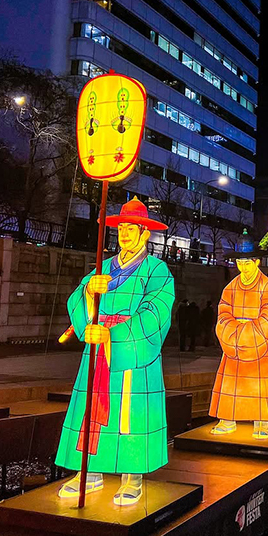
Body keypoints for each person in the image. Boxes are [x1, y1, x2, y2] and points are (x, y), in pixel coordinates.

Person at [56, 197, 174, 506]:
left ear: (144, 233)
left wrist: (113, 334)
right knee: (91, 410)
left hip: (129, 352)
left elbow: (154, 313)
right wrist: (88, 292)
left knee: (129, 415)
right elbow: (78, 299)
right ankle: (90, 471)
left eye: (131, 228)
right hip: (97, 347)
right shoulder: (103, 266)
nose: (124, 233)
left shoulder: (157, 270)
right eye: (121, 227)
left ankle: (132, 477)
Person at [209, 251, 268, 439]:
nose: (243, 267)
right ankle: (227, 419)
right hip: (233, 340)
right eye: (240, 263)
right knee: (231, 383)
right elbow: (223, 313)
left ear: (257, 262)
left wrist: (249, 334)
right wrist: (233, 334)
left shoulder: (267, 285)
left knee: (259, 385)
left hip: (258, 340)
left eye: (247, 263)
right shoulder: (231, 287)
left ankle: (261, 420)